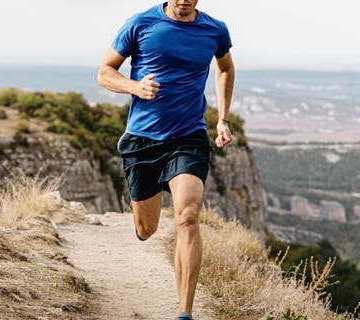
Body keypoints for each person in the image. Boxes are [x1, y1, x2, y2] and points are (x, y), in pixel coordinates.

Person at [97, 1, 235, 319]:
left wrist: (223, 119)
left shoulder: (215, 29)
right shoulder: (141, 23)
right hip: (142, 141)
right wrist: (135, 86)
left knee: (187, 217)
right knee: (147, 228)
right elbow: (105, 72)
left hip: (189, 137)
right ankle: (143, 224)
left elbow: (225, 67)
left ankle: (184, 313)